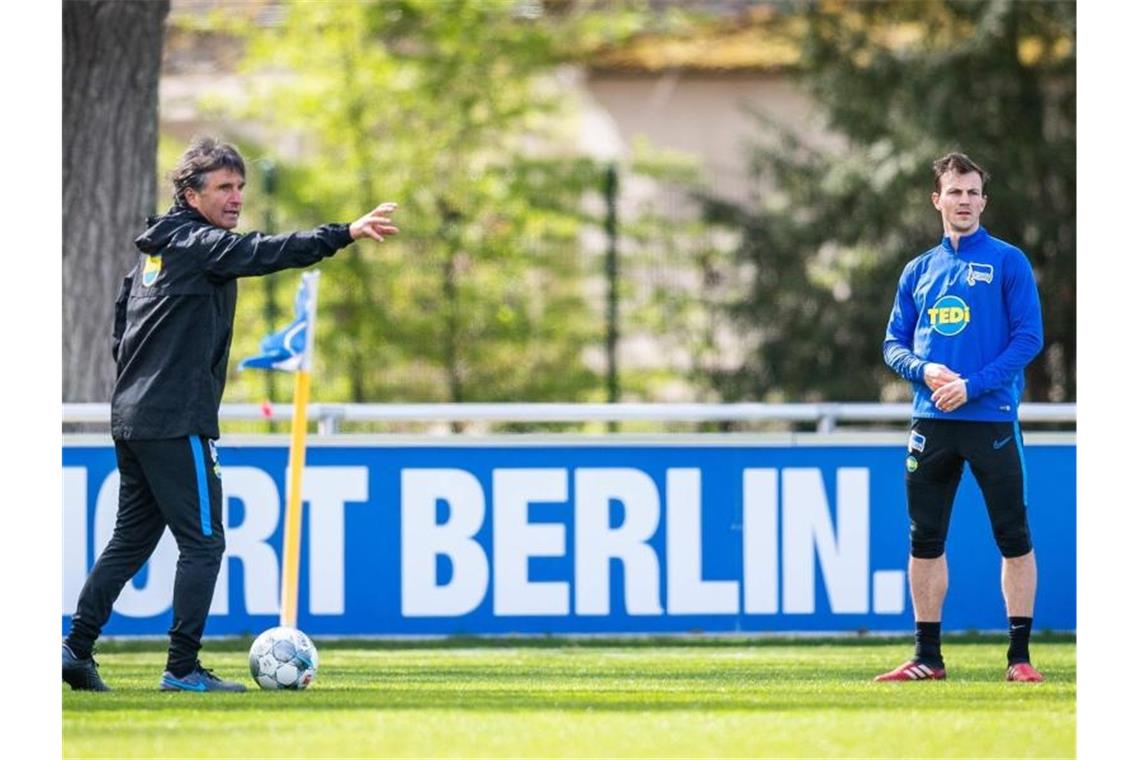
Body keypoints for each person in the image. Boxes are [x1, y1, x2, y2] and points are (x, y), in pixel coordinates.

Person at [62, 137, 399, 692]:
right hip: (175, 420)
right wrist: (343, 233)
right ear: (191, 194)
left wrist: (144, 387)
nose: (236, 197)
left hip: (133, 417)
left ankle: (75, 649)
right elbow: (265, 252)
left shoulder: (153, 255)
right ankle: (182, 667)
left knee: (131, 539)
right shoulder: (200, 244)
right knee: (204, 542)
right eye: (224, 187)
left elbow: (120, 335)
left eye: (240, 186)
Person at [876, 152, 1045, 683]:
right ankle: (928, 656)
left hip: (992, 419)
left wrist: (973, 385)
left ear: (983, 201)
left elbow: (1029, 339)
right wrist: (924, 371)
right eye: (955, 192)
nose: (965, 201)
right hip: (930, 422)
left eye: (973, 192)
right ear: (937, 200)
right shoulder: (918, 271)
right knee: (924, 539)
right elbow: (892, 345)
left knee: (1012, 536)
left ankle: (1019, 658)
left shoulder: (1008, 261)